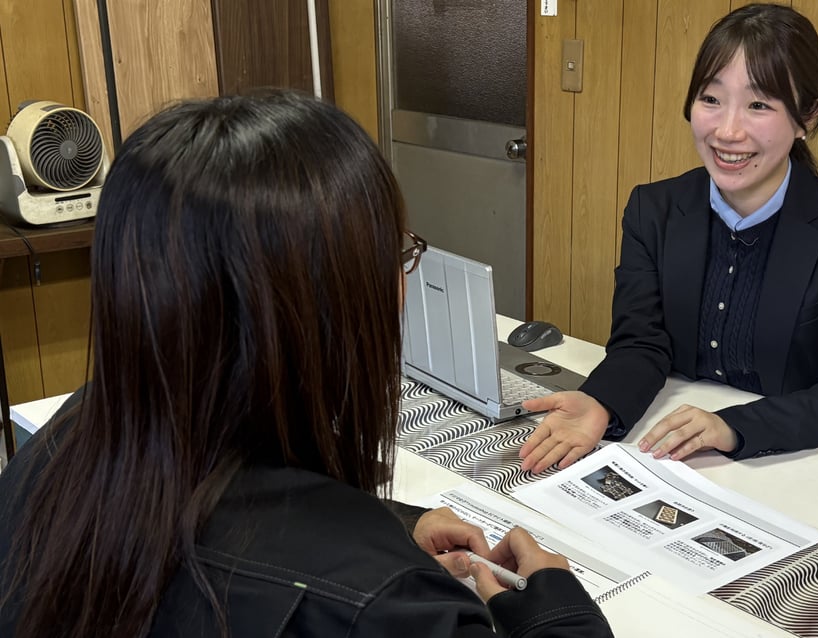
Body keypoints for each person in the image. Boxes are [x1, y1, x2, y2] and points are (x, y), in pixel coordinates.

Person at [0, 92, 612, 638]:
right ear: (323, 306)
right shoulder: (392, 605)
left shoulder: (66, 446)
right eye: (397, 252)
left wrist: (394, 526)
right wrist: (556, 609)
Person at [520, 3, 818, 473]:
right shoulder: (653, 210)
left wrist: (735, 427)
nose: (727, 131)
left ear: (807, 117)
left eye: (759, 104)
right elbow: (642, 342)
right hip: (673, 458)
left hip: (796, 463)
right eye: (711, 99)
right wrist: (601, 402)